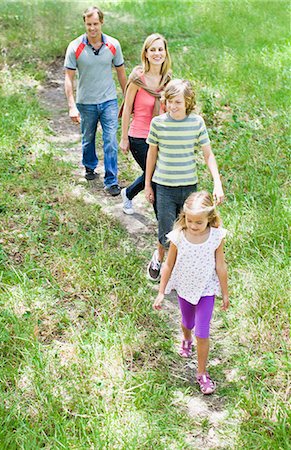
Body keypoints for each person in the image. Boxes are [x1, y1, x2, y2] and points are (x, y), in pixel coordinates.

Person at [145, 79, 224, 280]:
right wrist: (147, 185)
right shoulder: (158, 123)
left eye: (178, 102)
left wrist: (217, 183)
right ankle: (159, 256)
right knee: (166, 231)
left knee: (190, 230)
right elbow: (151, 155)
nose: (172, 106)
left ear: (188, 102)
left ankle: (181, 268)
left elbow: (208, 154)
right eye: (169, 101)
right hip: (164, 187)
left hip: (189, 187)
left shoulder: (196, 122)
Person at [153, 191, 229, 394]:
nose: (193, 226)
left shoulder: (216, 237)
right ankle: (186, 339)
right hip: (185, 287)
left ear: (209, 219)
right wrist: (161, 291)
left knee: (202, 331)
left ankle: (202, 373)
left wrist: (225, 292)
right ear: (184, 217)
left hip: (207, 289)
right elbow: (168, 265)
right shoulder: (178, 236)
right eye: (189, 220)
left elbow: (221, 266)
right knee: (188, 323)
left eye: (199, 222)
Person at [64, 6, 127, 196]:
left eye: (95, 24)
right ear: (84, 23)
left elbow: (122, 74)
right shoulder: (75, 47)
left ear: (102, 23)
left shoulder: (113, 45)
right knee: (88, 138)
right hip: (86, 102)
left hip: (108, 100)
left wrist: (128, 100)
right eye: (88, 24)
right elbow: (68, 78)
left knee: (110, 140)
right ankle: (89, 165)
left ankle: (111, 180)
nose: (92, 28)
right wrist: (72, 106)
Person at [119, 33, 172, 214]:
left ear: (165, 53)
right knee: (156, 176)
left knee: (155, 174)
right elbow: (127, 109)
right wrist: (124, 137)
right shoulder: (137, 79)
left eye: (160, 49)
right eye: (153, 50)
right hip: (139, 136)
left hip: (161, 137)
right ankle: (164, 225)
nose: (157, 53)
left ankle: (128, 192)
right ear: (146, 54)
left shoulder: (168, 80)